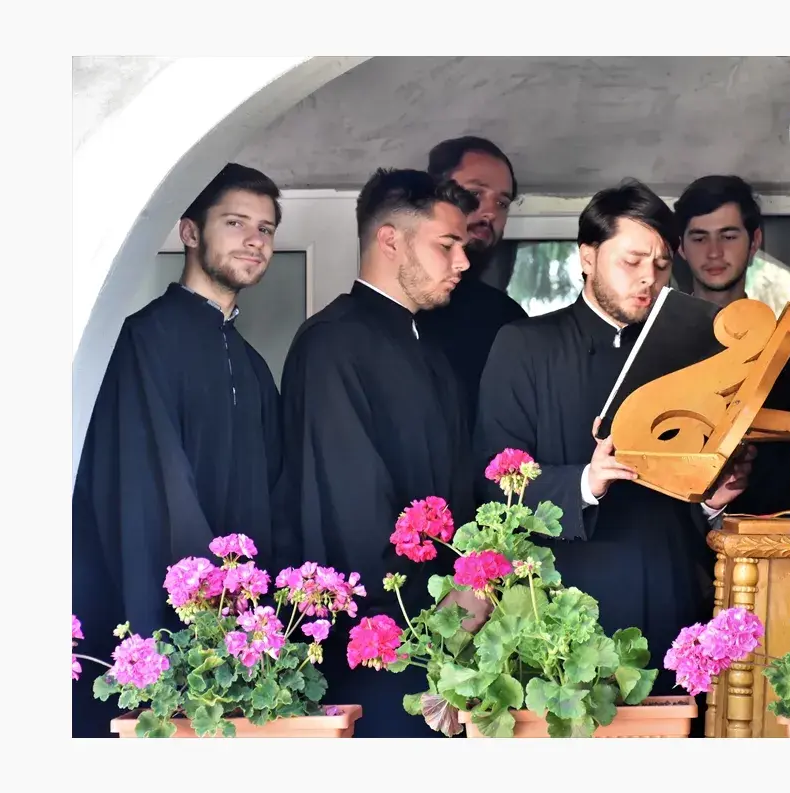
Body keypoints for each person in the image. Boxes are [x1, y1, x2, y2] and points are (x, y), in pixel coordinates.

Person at [474, 179, 754, 735]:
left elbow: (691, 493)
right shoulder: (523, 345)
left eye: (661, 264)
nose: (649, 277)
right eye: (631, 261)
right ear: (587, 257)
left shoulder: (693, 353)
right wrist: (586, 480)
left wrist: (713, 500)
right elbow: (495, 482)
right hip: (566, 605)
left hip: (671, 592)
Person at [71, 163, 285, 737]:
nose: (254, 240)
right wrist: (208, 595)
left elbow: (271, 494)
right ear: (190, 231)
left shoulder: (252, 366)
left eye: (266, 229)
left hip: (238, 624)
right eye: (236, 222)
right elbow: (149, 487)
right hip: (168, 609)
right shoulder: (144, 339)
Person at [274, 168, 486, 738]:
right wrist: (433, 617)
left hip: (448, 632)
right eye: (447, 244)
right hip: (379, 641)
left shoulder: (431, 350)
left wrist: (470, 590)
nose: (463, 262)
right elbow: (346, 505)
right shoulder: (331, 343)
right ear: (390, 239)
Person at [674, 174, 790, 517]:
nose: (714, 252)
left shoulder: (789, 345)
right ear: (680, 247)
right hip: (671, 533)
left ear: (754, 241)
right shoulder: (659, 339)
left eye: (729, 236)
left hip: (770, 531)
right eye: (699, 237)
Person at [415, 136, 528, 431]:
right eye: (475, 193)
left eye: (502, 203)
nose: (490, 212)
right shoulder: (398, 304)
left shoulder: (508, 318)